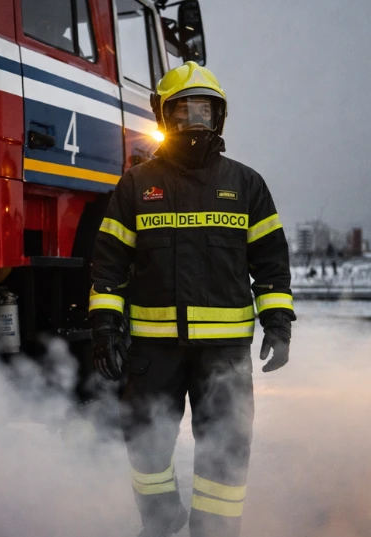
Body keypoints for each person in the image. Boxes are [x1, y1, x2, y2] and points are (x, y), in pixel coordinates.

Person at [88, 62, 295, 537]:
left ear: (219, 116)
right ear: (164, 116)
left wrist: (279, 326)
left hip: (223, 354)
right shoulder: (136, 186)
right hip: (152, 350)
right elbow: (108, 268)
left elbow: (270, 265)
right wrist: (104, 327)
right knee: (145, 441)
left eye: (203, 110)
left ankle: (215, 531)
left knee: (225, 447)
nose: (193, 121)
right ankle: (161, 519)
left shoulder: (247, 185)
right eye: (182, 111)